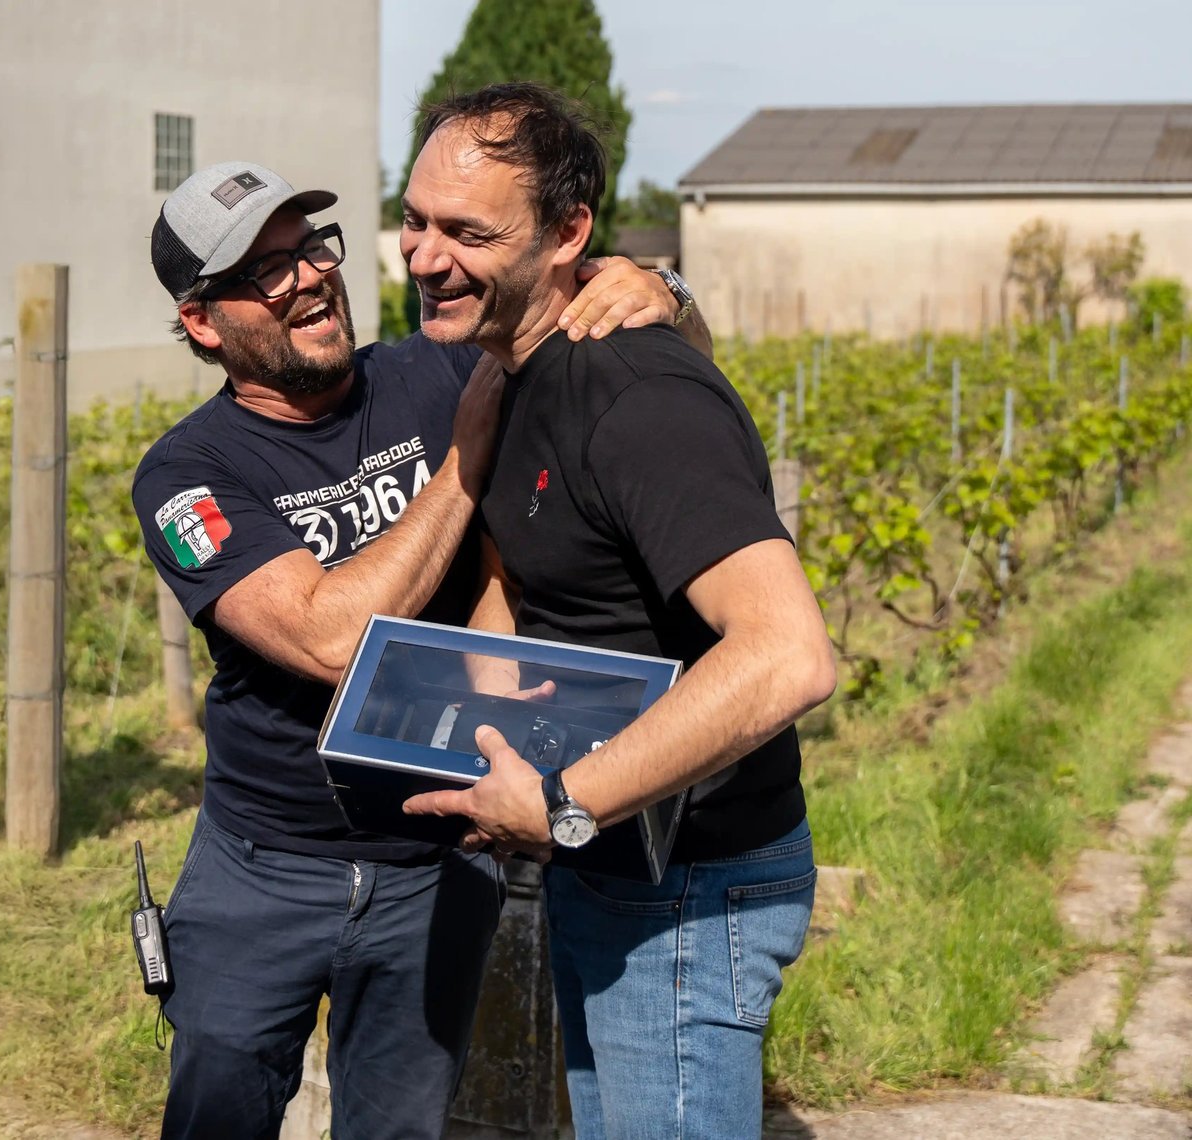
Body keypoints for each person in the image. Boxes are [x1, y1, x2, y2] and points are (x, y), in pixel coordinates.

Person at [130, 158, 685, 1140]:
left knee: (399, 1129)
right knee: (217, 1116)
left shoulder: (435, 370)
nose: (309, 278)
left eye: (311, 248)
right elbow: (332, 638)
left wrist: (657, 289)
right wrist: (465, 459)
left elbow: (593, 325)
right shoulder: (188, 474)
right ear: (203, 322)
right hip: (263, 869)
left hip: (441, 860)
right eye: (266, 271)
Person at [399, 84, 838, 1139]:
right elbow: (517, 578)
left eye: (468, 233)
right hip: (607, 858)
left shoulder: (636, 396)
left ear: (569, 236)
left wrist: (560, 802)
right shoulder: (510, 378)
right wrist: (487, 738)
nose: (425, 257)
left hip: (688, 885)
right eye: (414, 219)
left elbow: (788, 656)